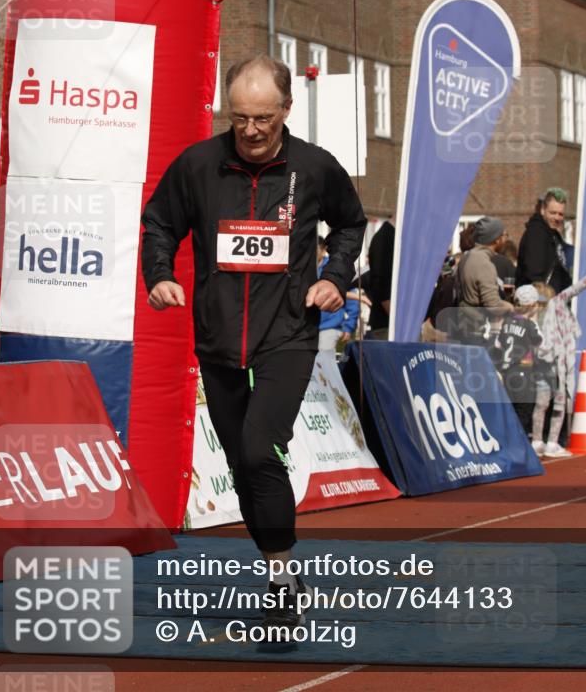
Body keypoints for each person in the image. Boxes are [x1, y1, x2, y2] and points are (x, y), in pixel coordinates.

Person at [141, 54, 366, 640]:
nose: (252, 130)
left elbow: (350, 223)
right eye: (240, 118)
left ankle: (280, 579)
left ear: (286, 110)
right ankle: (280, 564)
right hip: (217, 336)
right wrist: (160, 273)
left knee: (260, 447)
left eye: (263, 117)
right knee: (244, 462)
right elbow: (159, 222)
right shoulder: (198, 166)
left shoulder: (315, 169)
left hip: (287, 333)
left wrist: (334, 278)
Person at [532, 273, 586, 457]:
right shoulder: (552, 306)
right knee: (558, 404)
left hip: (542, 365)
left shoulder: (531, 315)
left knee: (541, 404)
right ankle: (551, 443)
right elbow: (571, 291)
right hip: (557, 366)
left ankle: (538, 441)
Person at [494, 284, 543, 439]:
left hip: (507, 372)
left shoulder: (506, 321)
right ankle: (519, 445)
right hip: (524, 372)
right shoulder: (529, 324)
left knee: (510, 412)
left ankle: (508, 442)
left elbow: (498, 344)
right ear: (532, 306)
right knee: (524, 412)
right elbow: (542, 345)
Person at [456, 216, 513, 344]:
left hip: (466, 327)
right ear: (497, 240)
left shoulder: (467, 257)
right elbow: (493, 305)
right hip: (478, 332)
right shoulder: (484, 264)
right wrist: (510, 307)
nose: (506, 239)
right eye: (504, 235)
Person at [516, 188, 572, 293]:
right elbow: (534, 274)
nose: (557, 218)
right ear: (542, 210)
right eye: (553, 213)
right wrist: (543, 299)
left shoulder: (552, 233)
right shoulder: (536, 233)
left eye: (561, 214)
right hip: (541, 302)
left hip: (556, 301)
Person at [317, 237, 360, 353]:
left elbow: (352, 300)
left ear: (322, 249)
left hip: (330, 327)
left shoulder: (334, 268)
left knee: (324, 362)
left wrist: (348, 326)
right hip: (307, 329)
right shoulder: (304, 269)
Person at [367, 217, 395, 339]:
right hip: (386, 325)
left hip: (392, 323)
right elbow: (381, 283)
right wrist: (396, 320)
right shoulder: (384, 238)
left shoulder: (392, 236)